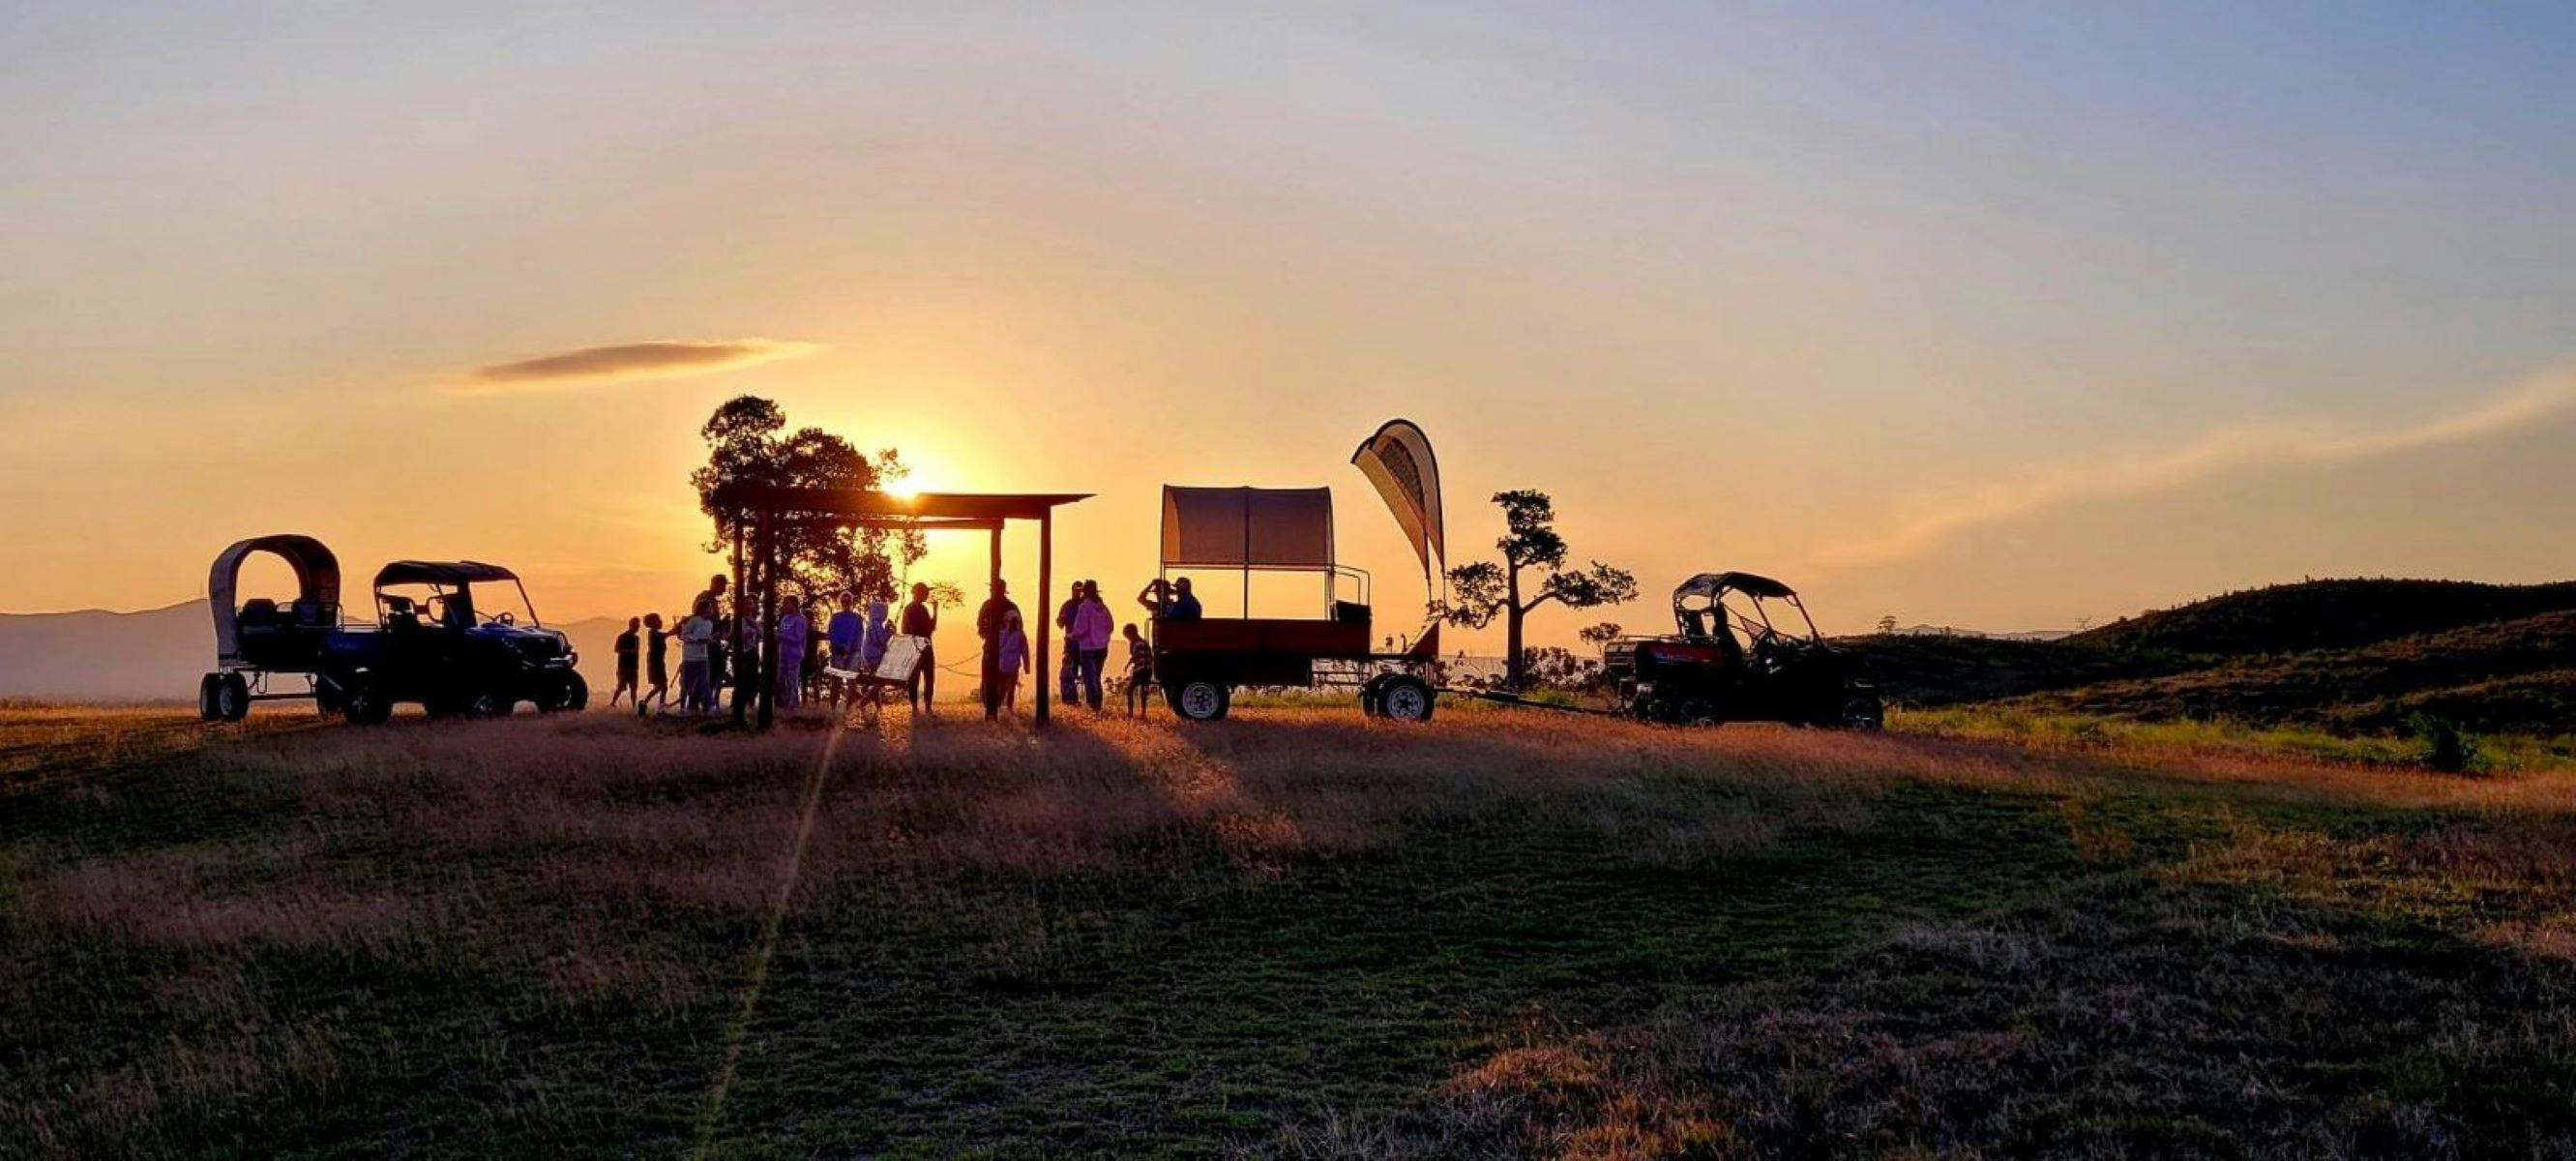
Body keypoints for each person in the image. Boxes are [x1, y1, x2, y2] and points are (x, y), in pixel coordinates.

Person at [975, 578, 1022, 721]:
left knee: (1003, 679)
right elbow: (980, 626)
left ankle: (1003, 708)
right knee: (993, 679)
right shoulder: (995, 605)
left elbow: (980, 627)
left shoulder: (1004, 606)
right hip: (997, 648)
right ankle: (995, 708)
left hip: (1004, 650)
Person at [1073, 580, 1114, 710]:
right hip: (1102, 647)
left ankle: (1093, 704)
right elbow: (1110, 626)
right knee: (1096, 676)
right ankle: (1098, 702)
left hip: (1088, 647)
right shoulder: (1103, 607)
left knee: (1089, 677)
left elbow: (1082, 628)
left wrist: (1073, 635)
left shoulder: (1084, 607)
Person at [901, 581, 938, 711]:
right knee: (914, 679)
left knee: (929, 678)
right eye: (925, 593)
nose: (927, 595)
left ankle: (927, 706)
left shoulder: (923, 609)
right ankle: (915, 708)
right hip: (915, 648)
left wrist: (935, 611)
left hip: (925, 647)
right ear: (918, 593)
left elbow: (931, 627)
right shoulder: (910, 609)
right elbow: (914, 630)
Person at [678, 599, 718, 714]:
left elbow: (707, 637)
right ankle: (684, 707)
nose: (712, 610)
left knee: (704, 681)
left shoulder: (710, 623)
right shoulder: (694, 621)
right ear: (704, 609)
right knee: (687, 683)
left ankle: (710, 705)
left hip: (702, 656)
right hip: (690, 657)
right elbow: (684, 635)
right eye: (710, 608)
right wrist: (696, 640)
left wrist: (710, 640)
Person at [774, 595, 809, 711]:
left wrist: (781, 636)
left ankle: (793, 704)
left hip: (794, 654)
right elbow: (781, 632)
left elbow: (798, 638)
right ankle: (783, 702)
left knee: (792, 679)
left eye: (786, 603)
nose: (784, 606)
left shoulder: (801, 619)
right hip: (782, 653)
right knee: (781, 678)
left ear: (794, 604)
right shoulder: (785, 618)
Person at [995, 609, 1031, 713]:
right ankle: (1006, 707)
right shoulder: (1019, 635)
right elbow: (1025, 651)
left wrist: (1027, 665)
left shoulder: (1001, 634)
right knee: (1008, 688)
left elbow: (1024, 651)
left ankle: (1002, 706)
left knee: (1005, 687)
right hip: (1009, 665)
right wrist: (1026, 666)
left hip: (1004, 665)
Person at [1054, 584, 1084, 704]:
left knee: (1085, 674)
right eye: (1076, 590)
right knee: (1069, 673)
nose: (1078, 592)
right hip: (1072, 645)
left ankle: (1083, 702)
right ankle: (1071, 701)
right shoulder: (1068, 605)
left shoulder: (1082, 605)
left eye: (1080, 590)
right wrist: (1061, 620)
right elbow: (1060, 624)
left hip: (1082, 645)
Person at [639, 612, 670, 716]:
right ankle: (646, 704)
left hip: (659, 662)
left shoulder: (655, 633)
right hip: (655, 664)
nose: (661, 621)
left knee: (662, 687)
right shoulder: (653, 634)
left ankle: (659, 708)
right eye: (658, 620)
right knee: (660, 686)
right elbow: (669, 634)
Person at [1121, 622, 1154, 716]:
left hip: (1140, 669)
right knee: (1143, 690)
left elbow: (1136, 656)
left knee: (1130, 690)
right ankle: (1143, 712)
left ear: (1130, 634)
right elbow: (1150, 656)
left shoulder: (1136, 643)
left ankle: (1130, 713)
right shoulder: (1144, 642)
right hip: (1148, 669)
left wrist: (1128, 665)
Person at [826, 593, 864, 674]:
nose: (846, 603)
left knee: (851, 678)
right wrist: (840, 647)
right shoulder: (835, 617)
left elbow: (860, 635)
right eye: (843, 601)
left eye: (848, 601)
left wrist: (853, 649)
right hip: (838, 652)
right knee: (837, 678)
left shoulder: (857, 618)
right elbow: (831, 634)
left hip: (853, 653)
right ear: (840, 602)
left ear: (852, 602)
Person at [1138, 577, 1202, 621]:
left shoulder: (1181, 603)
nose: (1158, 595)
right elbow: (1140, 599)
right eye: (1157, 593)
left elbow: (1172, 617)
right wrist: (1151, 584)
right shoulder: (1177, 604)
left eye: (1159, 592)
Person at [610, 616, 641, 708]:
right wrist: (628, 651)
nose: (638, 627)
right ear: (631, 625)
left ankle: (633, 706)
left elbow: (636, 652)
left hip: (634, 667)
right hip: (623, 667)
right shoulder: (622, 637)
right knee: (621, 687)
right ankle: (613, 703)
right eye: (636, 625)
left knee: (634, 688)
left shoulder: (637, 638)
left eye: (638, 625)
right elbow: (617, 649)